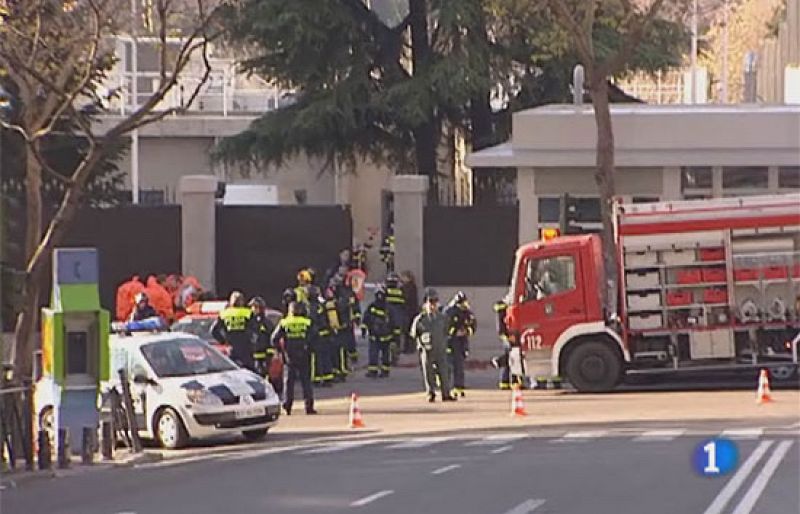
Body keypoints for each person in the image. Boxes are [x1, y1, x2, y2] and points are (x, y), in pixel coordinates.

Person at [410, 288, 456, 403]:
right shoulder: (421, 319)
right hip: (427, 350)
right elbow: (414, 334)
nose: (433, 305)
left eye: (435, 303)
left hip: (440, 348)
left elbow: (447, 331)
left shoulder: (442, 318)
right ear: (426, 304)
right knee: (428, 372)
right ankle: (430, 393)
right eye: (430, 303)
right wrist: (421, 344)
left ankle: (446, 393)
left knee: (444, 372)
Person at [271, 302, 317, 415]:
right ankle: (309, 407)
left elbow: (274, 339)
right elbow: (316, 337)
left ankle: (287, 406)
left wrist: (280, 351)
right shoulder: (307, 322)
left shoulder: (285, 322)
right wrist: (310, 349)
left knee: (288, 382)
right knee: (306, 382)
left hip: (289, 356)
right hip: (304, 355)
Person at [211, 291, 255, 371]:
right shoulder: (248, 313)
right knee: (250, 372)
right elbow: (255, 329)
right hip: (246, 347)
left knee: (233, 371)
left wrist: (223, 341)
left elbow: (213, 331)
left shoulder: (224, 314)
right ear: (242, 301)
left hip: (231, 348)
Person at [446, 291, 476, 397]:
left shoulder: (467, 313)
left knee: (459, 365)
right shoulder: (449, 312)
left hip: (462, 342)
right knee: (448, 365)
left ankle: (459, 387)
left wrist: (467, 331)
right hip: (450, 343)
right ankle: (445, 386)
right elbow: (445, 328)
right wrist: (455, 332)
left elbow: (473, 325)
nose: (465, 305)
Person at [363, 286, 395, 378]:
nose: (380, 296)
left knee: (385, 355)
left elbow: (394, 322)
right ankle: (373, 371)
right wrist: (364, 328)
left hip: (386, 337)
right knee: (373, 354)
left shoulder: (389, 308)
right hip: (374, 335)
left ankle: (385, 371)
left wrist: (394, 337)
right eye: (378, 294)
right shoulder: (372, 306)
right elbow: (366, 318)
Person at [307, 285, 334, 387]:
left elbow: (310, 322)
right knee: (326, 357)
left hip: (316, 337)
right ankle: (328, 378)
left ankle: (316, 379)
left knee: (316, 359)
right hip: (326, 335)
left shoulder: (309, 307)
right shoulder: (323, 305)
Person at [248, 296, 276, 379]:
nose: (252, 309)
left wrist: (269, 354)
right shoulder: (250, 322)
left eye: (254, 307)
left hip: (262, 356)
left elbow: (271, 338)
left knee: (262, 375)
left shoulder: (266, 323)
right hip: (251, 355)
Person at [384, 273, 406, 365]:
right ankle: (395, 357)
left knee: (386, 340)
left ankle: (387, 358)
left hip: (387, 320)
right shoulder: (401, 291)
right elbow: (404, 305)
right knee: (396, 339)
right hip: (398, 320)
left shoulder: (386, 291)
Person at [399, 271, 418, 354]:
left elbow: (406, 298)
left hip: (409, 312)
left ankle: (409, 348)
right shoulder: (411, 286)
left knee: (408, 331)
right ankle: (408, 348)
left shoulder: (409, 287)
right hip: (410, 311)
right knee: (407, 331)